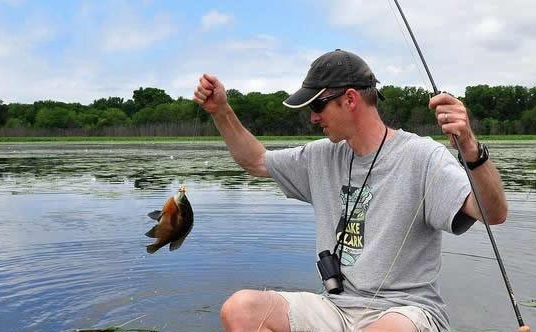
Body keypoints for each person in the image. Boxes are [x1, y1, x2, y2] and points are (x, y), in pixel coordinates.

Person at [193, 49, 507, 332]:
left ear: (351, 99)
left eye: (318, 105)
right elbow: (257, 161)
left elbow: (493, 213)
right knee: (240, 310)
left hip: (406, 315)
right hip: (337, 309)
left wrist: (469, 147)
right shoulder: (321, 156)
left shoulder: (422, 157)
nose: (313, 118)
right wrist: (221, 111)